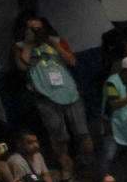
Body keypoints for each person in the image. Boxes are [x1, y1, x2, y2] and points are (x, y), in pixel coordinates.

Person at [15, 13, 91, 171]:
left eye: (39, 28)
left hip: (69, 93)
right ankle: (66, 168)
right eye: (32, 29)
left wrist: (54, 44)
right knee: (59, 137)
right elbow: (22, 66)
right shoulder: (20, 46)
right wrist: (28, 44)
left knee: (82, 132)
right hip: (45, 96)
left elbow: (72, 61)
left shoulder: (57, 41)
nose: (37, 32)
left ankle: (89, 165)